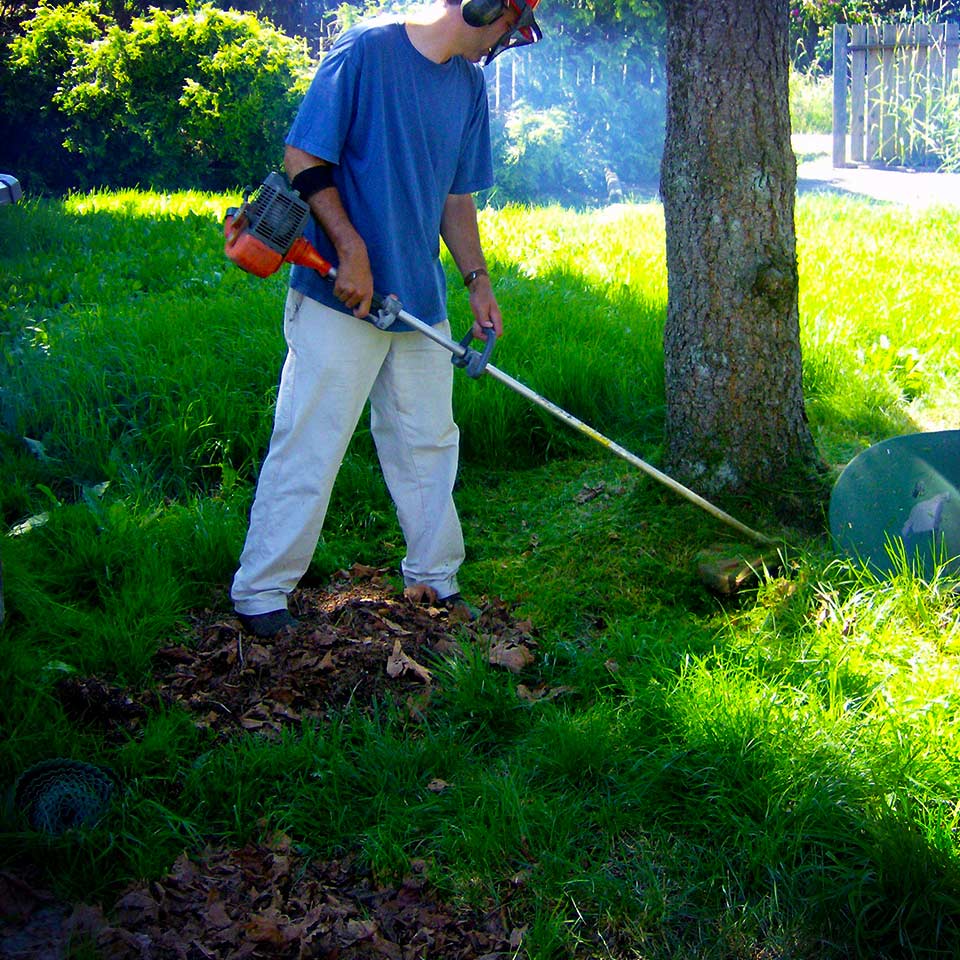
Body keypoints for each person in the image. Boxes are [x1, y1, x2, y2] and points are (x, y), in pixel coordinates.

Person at [231, 0, 543, 638]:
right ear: (484, 6)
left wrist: (476, 281)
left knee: (428, 443)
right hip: (338, 296)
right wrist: (350, 248)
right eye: (511, 23)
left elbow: (457, 196)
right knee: (311, 439)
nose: (506, 39)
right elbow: (304, 156)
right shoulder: (366, 52)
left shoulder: (467, 86)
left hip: (417, 301)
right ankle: (262, 592)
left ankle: (434, 577)